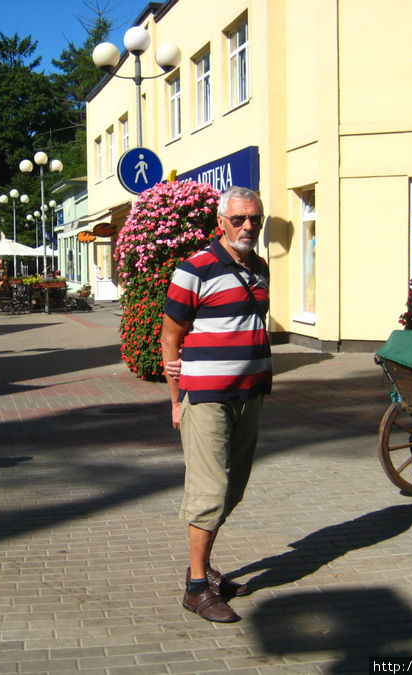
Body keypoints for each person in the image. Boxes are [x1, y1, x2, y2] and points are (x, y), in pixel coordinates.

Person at [160, 185, 272, 623]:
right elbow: (170, 335)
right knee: (209, 491)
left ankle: (204, 570)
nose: (248, 227)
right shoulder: (194, 269)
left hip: (249, 394)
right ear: (220, 223)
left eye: (255, 220)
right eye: (240, 219)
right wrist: (175, 400)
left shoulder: (260, 268)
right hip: (205, 398)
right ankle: (194, 586)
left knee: (235, 486)